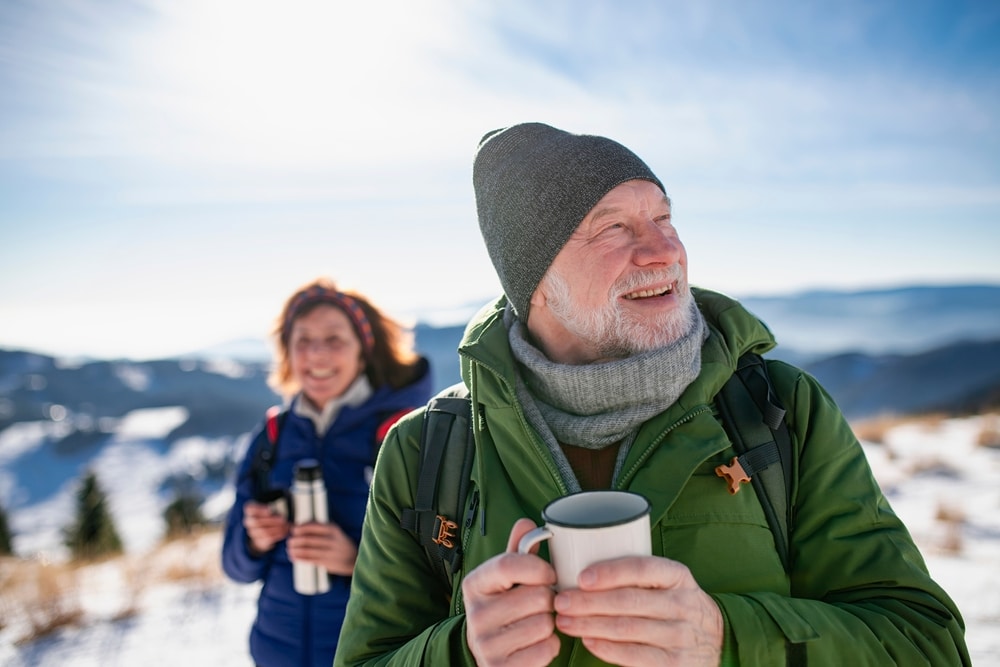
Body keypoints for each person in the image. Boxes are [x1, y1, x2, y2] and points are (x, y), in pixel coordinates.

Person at [333, 123, 970, 666]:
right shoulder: (427, 451)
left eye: (664, 217)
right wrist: (462, 651)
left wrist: (726, 638)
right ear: (534, 283)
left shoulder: (779, 412)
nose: (664, 250)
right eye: (613, 229)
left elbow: (927, 642)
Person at [222, 277, 433, 667]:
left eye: (334, 339)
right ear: (287, 352)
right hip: (275, 652)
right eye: (302, 340)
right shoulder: (271, 438)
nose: (316, 353)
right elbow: (234, 567)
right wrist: (254, 541)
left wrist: (356, 561)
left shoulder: (402, 435)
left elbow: (438, 571)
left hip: (366, 654)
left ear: (363, 352)